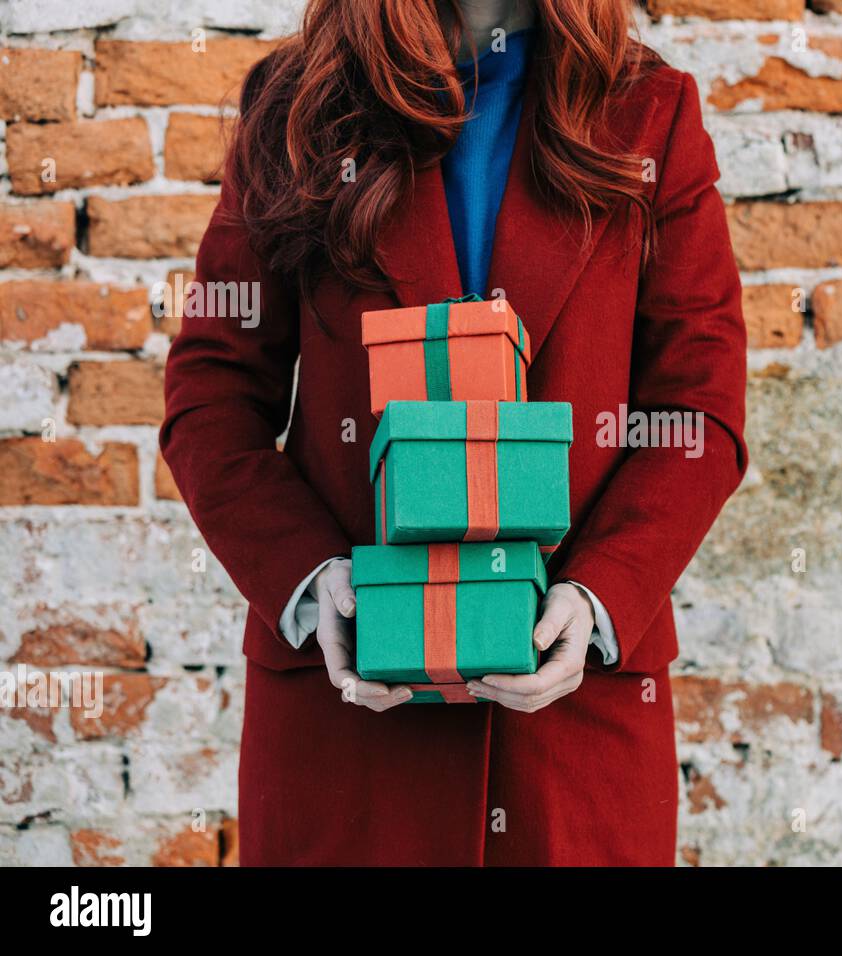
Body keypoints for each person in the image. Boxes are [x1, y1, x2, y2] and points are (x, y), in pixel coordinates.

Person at [160, 0, 747, 865]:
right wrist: (313, 580)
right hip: (347, 734)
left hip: (570, 741)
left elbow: (698, 405)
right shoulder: (298, 105)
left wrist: (599, 594)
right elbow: (212, 390)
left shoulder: (649, 111)